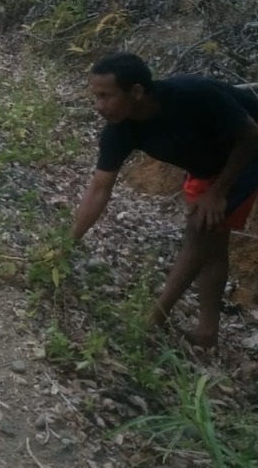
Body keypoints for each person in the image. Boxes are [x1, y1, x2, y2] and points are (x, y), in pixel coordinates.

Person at [71, 51, 258, 350]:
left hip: (248, 155)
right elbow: (99, 189)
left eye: (106, 96)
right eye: (96, 96)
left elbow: (250, 134)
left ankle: (152, 321)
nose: (99, 106)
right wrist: (68, 243)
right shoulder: (119, 131)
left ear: (136, 92)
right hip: (207, 168)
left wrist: (218, 192)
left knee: (200, 229)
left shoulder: (194, 94)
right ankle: (207, 333)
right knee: (212, 241)